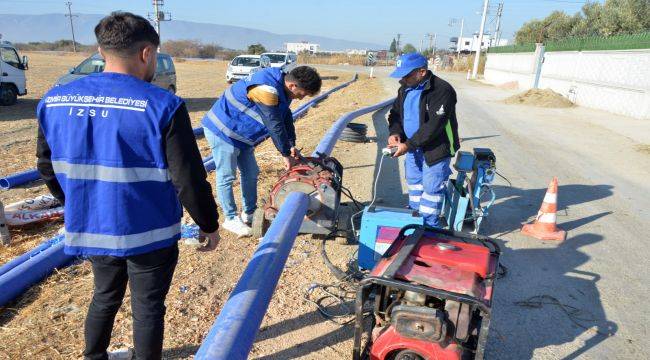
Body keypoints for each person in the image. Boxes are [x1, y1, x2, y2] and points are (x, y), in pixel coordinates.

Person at [35, 12, 220, 360]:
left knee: (104, 296)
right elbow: (188, 178)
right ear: (147, 53)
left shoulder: (54, 100)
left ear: (101, 51)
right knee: (148, 307)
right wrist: (208, 223)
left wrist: (76, 200)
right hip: (149, 232)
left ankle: (94, 356)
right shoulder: (163, 105)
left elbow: (46, 167)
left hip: (93, 226)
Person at [201, 65, 322, 237]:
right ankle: (230, 218)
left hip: (242, 136)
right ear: (293, 86)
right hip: (223, 130)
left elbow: (285, 117)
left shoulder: (283, 89)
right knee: (227, 175)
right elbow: (274, 122)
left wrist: (292, 144)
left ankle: (249, 212)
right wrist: (285, 154)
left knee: (251, 173)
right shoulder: (266, 88)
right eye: (303, 94)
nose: (302, 98)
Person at [386, 52, 460, 228]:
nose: (403, 78)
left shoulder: (442, 90)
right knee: (414, 183)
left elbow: (434, 125)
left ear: (422, 72)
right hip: (412, 146)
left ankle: (429, 227)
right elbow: (396, 114)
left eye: (407, 74)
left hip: (436, 148)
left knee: (431, 187)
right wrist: (395, 132)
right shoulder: (405, 88)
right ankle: (414, 218)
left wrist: (408, 144)